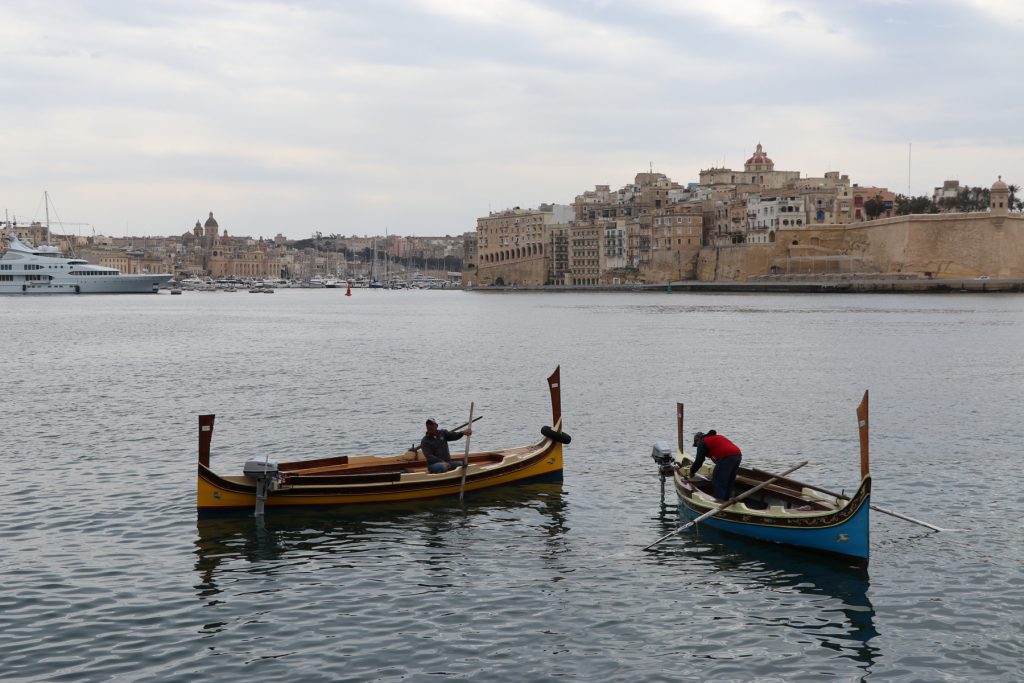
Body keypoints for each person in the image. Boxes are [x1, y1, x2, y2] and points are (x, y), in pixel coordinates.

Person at [689, 429, 743, 502]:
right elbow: (719, 454)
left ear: (698, 440)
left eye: (696, 444)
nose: (697, 446)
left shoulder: (702, 442)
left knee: (718, 480)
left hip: (726, 457)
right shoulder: (716, 438)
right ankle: (727, 500)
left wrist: (692, 472)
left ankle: (719, 502)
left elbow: (699, 461)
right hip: (737, 455)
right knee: (729, 479)